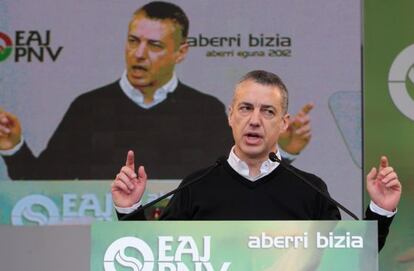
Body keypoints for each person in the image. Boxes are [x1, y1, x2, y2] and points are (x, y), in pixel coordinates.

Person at [0, 1, 311, 180]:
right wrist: (14, 147)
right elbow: (44, 188)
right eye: (134, 41)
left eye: (155, 45)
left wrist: (283, 151)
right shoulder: (89, 107)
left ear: (181, 52)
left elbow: (240, 178)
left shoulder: (202, 109)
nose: (139, 54)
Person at [112, 70, 402, 251]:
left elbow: (348, 256)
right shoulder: (195, 187)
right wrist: (129, 210)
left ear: (284, 123)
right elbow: (152, 257)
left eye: (268, 111)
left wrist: (380, 209)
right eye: (246, 108)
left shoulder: (310, 189)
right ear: (230, 115)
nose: (254, 120)